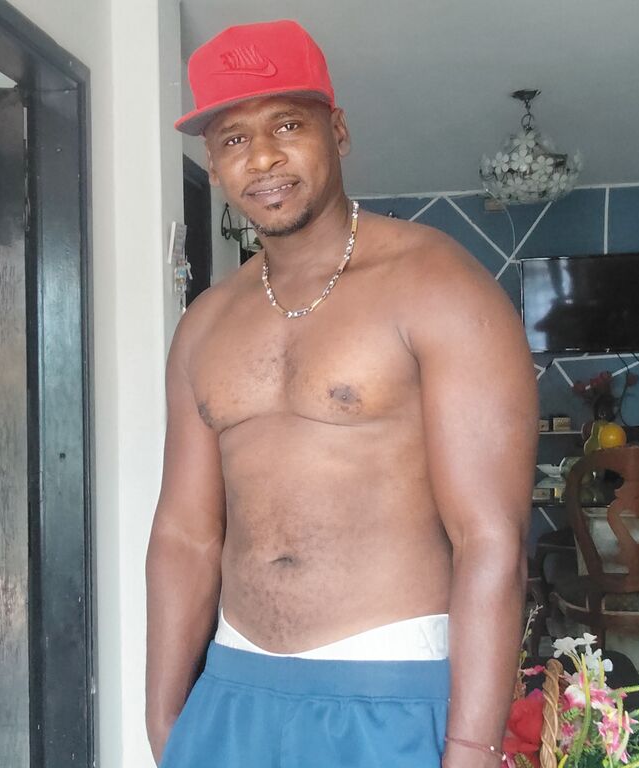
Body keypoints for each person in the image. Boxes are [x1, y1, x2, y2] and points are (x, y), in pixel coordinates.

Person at [146, 19, 538, 768]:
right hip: (232, 688)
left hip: (391, 690)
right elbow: (184, 534)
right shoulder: (205, 323)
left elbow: (491, 539)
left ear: (340, 131)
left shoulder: (438, 285)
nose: (263, 158)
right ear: (214, 165)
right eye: (233, 139)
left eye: (287, 125)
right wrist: (165, 718)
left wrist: (472, 745)